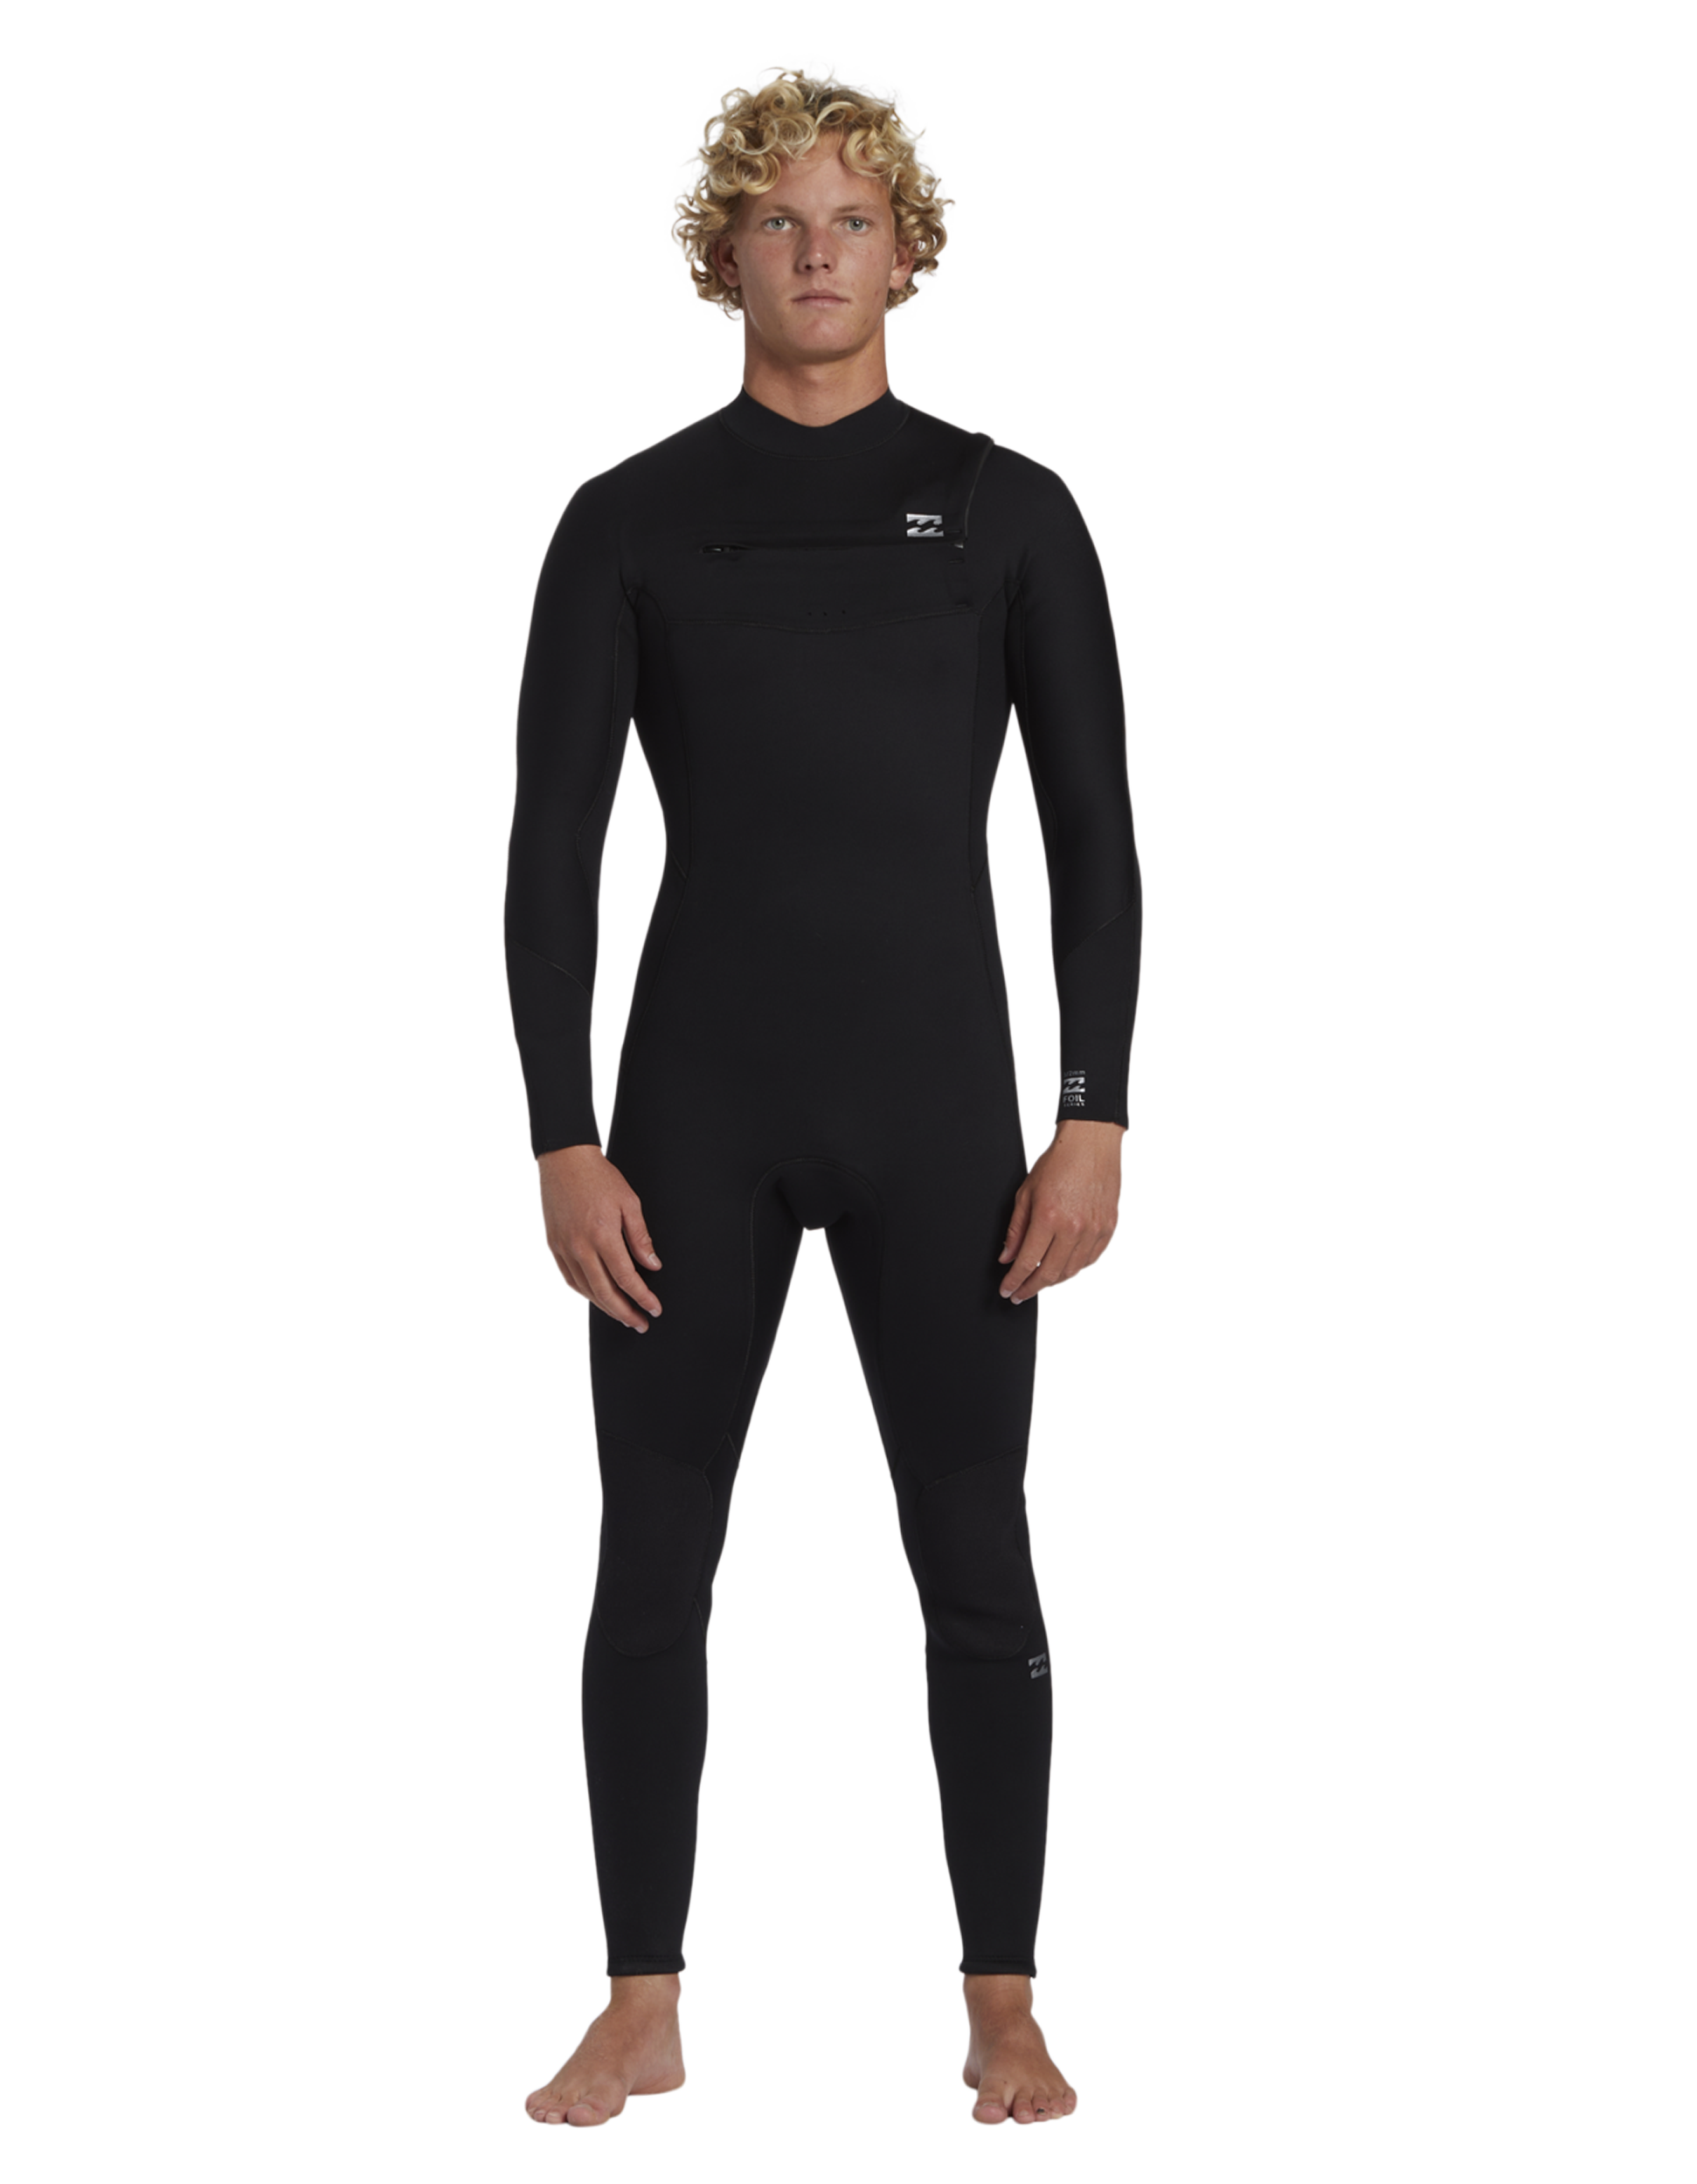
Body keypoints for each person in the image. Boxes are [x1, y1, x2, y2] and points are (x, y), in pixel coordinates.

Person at [504, 66, 1141, 2131]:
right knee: (651, 1552)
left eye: (851, 218)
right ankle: (639, 2001)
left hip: (942, 1105)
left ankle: (1004, 2002)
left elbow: (1094, 833)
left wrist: (1094, 1109)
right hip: (688, 1108)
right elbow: (550, 847)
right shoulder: (627, 522)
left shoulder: (1008, 512)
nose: (814, 250)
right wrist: (562, 1131)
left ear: (904, 251)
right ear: (723, 254)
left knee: (977, 1549)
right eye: (777, 219)